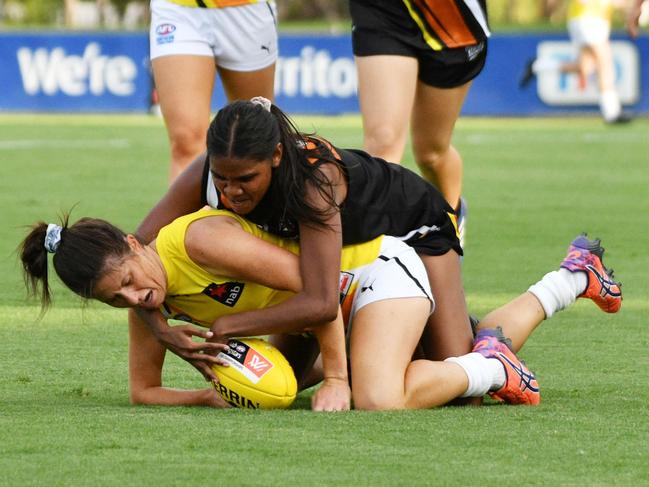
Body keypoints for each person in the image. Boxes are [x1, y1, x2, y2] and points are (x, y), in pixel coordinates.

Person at [19, 209, 623, 410]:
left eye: (128, 280)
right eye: (115, 299)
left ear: (133, 243)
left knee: (380, 398)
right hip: (321, 311)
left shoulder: (196, 243)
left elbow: (322, 285)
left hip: (369, 273)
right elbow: (143, 391)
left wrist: (337, 375)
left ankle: (498, 371)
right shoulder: (146, 305)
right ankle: (571, 279)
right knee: (450, 361)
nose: (134, 298)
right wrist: (213, 394)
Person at [133, 98, 476, 389]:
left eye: (246, 179)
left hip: (416, 228)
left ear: (277, 155)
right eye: (222, 179)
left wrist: (229, 326)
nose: (231, 191)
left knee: (460, 381)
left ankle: (491, 344)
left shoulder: (314, 182)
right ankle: (380, 350)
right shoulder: (205, 173)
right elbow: (131, 250)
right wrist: (159, 328)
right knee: (285, 380)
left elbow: (322, 302)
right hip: (351, 263)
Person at [349, 0, 491, 248]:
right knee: (383, 144)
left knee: (431, 153)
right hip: (384, 9)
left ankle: (450, 218)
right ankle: (376, 263)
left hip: (451, 17)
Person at [149, 0, 278, 182]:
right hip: (178, 10)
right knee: (186, 142)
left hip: (247, 10)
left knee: (256, 140)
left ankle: (261, 210)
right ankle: (195, 211)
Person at [520, 0, 631, 124]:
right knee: (604, 63)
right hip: (590, 19)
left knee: (584, 68)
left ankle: (538, 66)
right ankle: (612, 112)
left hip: (588, 20)